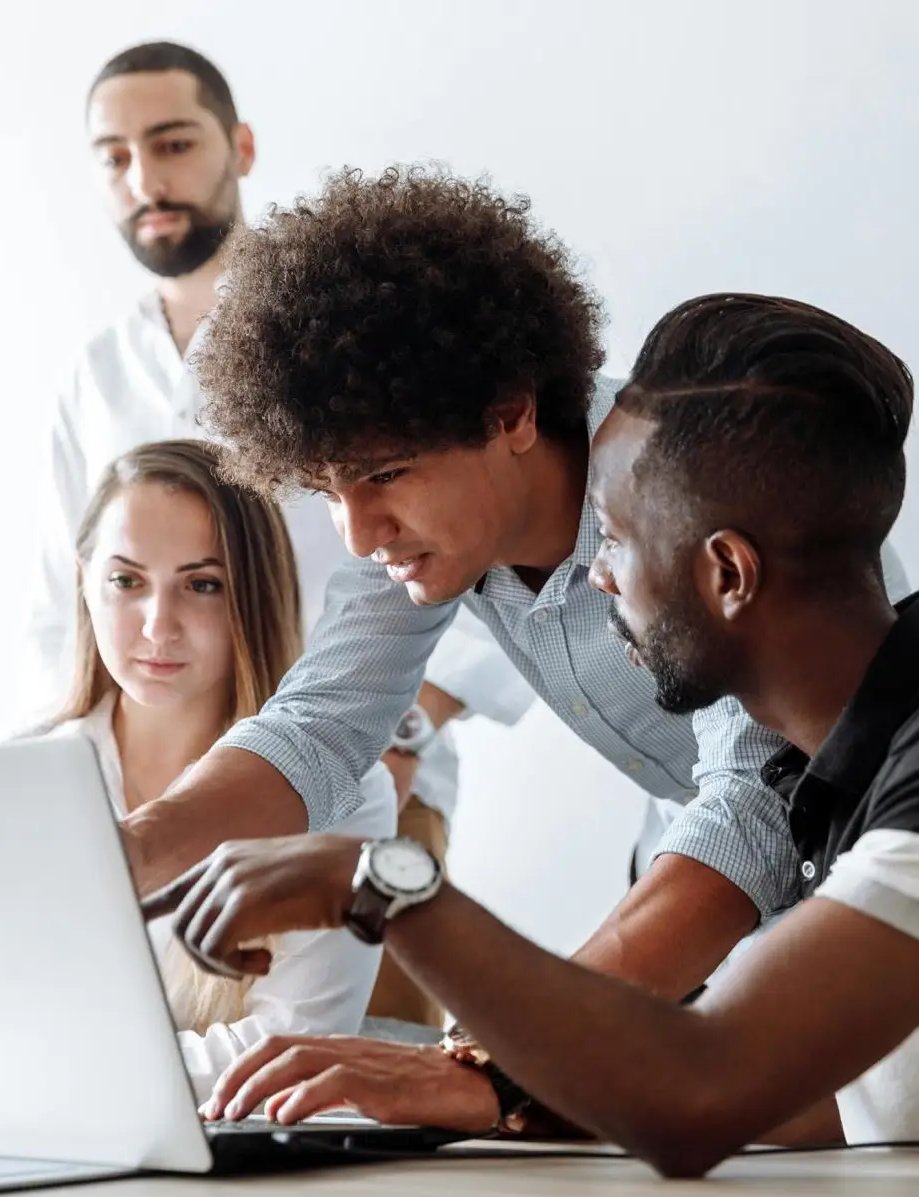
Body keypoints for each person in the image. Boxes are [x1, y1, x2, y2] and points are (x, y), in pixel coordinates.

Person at [144, 294, 919, 1175]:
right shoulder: (851, 780)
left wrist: (387, 899)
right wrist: (513, 1080)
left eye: (616, 540)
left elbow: (713, 1079)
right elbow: (818, 1095)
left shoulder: (689, 479)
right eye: (328, 491)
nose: (592, 576)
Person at [120, 165, 907, 1001]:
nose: (359, 531)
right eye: (326, 490)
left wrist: (500, 1061)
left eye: (385, 474)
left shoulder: (684, 481)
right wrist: (125, 853)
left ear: (511, 414)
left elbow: (759, 790)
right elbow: (319, 723)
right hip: (691, 878)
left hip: (870, 870)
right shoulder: (429, 525)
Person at [27, 42, 534, 1026]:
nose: (147, 178)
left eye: (172, 143)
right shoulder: (94, 379)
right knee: (136, 1061)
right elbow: (61, 602)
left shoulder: (345, 335)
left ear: (240, 146)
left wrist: (393, 730)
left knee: (352, 1085)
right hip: (162, 787)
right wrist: (55, 785)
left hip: (366, 769)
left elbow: (476, 524)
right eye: (115, 156)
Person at [39, 437, 395, 1102]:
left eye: (203, 584)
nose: (158, 626)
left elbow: (288, 1049)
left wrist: (52, 1069)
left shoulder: (341, 790)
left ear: (254, 593)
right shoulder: (19, 775)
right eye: (126, 581)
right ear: (84, 579)